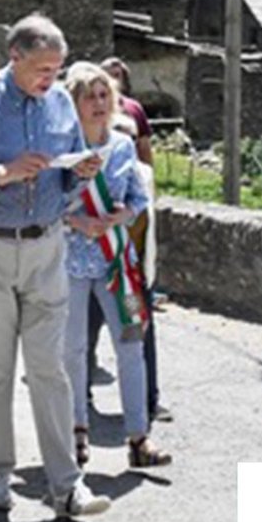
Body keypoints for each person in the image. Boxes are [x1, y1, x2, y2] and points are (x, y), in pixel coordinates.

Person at [0, 15, 112, 519]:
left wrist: (81, 173)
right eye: (42, 69)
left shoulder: (60, 104)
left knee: (50, 367)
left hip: (46, 244)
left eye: (57, 69)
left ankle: (67, 486)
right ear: (14, 57)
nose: (51, 79)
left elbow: (65, 181)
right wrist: (1, 174)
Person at [60, 62, 170, 469]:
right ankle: (76, 430)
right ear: (74, 103)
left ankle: (139, 437)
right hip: (70, 264)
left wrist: (122, 215)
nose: (98, 103)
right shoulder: (61, 149)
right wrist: (77, 221)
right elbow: (45, 204)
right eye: (89, 96)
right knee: (73, 350)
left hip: (117, 264)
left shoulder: (123, 147)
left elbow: (139, 198)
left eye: (104, 94)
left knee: (131, 344)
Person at [94, 56, 169, 423]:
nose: (126, 142)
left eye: (132, 137)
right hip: (92, 269)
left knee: (138, 337)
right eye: (119, 135)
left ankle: (148, 403)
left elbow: (146, 222)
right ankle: (80, 403)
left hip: (130, 274)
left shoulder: (143, 176)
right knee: (82, 339)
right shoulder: (91, 170)